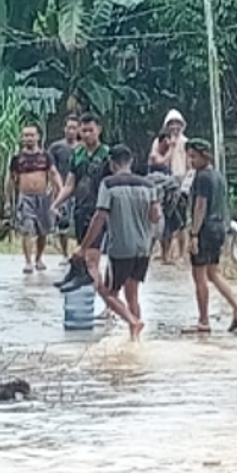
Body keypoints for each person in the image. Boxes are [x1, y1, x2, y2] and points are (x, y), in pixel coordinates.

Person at [81, 145, 161, 340]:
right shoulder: (148, 185)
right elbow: (155, 216)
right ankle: (135, 338)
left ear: (112, 163)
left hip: (121, 248)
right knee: (132, 293)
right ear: (131, 162)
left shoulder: (109, 184)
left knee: (109, 294)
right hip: (143, 247)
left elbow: (99, 217)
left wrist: (84, 246)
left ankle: (133, 321)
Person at [183, 139, 237, 334]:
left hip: (205, 228)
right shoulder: (218, 176)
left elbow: (200, 206)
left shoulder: (202, 177)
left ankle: (203, 321)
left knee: (199, 275)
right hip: (218, 226)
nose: (191, 161)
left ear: (204, 156)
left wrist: (194, 234)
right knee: (213, 273)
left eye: (194, 156)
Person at [52, 113, 110, 290]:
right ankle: (91, 301)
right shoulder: (77, 154)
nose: (86, 134)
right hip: (80, 210)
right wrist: (56, 203)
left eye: (90, 130)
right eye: (83, 130)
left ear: (98, 130)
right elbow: (70, 184)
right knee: (82, 257)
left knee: (92, 260)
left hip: (99, 212)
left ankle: (108, 305)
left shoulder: (107, 155)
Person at [9, 124, 63, 275]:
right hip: (25, 198)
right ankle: (28, 262)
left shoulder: (46, 156)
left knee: (43, 230)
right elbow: (11, 180)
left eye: (32, 135)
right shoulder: (17, 159)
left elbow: (54, 173)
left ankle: (38, 258)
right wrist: (8, 200)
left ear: (38, 137)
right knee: (27, 229)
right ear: (22, 138)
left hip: (43, 198)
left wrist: (60, 192)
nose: (29, 138)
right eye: (26, 135)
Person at [150, 110, 190, 262]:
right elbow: (156, 159)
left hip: (179, 181)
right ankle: (164, 252)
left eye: (177, 123)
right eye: (171, 123)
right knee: (163, 219)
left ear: (182, 125)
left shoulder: (186, 143)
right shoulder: (159, 141)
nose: (174, 127)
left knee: (180, 220)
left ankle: (181, 253)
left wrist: (186, 184)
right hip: (162, 182)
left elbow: (189, 165)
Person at [48, 114, 81, 262]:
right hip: (61, 190)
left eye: (74, 128)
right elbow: (51, 169)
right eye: (69, 128)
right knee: (63, 222)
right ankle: (64, 253)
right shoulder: (56, 147)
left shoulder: (82, 148)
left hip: (79, 191)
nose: (71, 131)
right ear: (64, 129)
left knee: (80, 222)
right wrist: (57, 188)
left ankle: (80, 251)